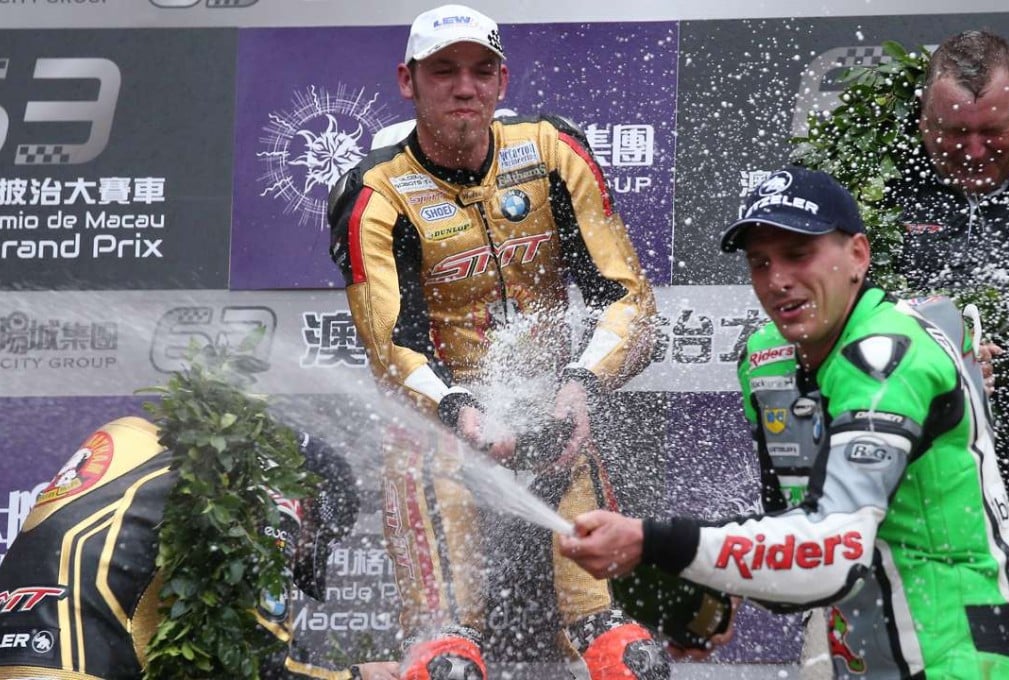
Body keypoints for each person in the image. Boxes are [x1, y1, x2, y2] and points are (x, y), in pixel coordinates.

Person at [560, 167, 1009, 678]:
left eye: (799, 255)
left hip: (959, 655)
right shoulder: (766, 359)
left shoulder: (891, 356)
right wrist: (723, 587)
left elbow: (834, 553)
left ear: (858, 256)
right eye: (760, 262)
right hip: (864, 652)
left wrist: (656, 541)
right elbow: (798, 524)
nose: (777, 280)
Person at [327, 4, 664, 679]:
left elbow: (629, 300)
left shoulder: (549, 153)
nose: (464, 88)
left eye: (481, 71)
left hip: (550, 404)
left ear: (502, 81)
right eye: (443, 71)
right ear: (408, 81)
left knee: (626, 659)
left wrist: (581, 389)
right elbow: (391, 347)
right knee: (447, 658)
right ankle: (444, 633)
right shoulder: (377, 193)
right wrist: (461, 411)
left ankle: (596, 621)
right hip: (442, 423)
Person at [0, 416, 399, 680]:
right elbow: (257, 661)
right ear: (308, 502)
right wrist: (357, 676)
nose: (298, 557)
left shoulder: (140, 444)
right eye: (313, 543)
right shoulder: (268, 489)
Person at [894, 29, 1009, 520]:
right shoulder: (870, 183)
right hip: (916, 481)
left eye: (993, 133)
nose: (972, 150)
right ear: (923, 115)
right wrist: (937, 358)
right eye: (952, 132)